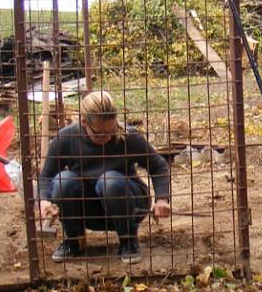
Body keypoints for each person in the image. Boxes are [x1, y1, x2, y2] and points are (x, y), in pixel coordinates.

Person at [38, 90, 171, 264]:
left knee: (109, 181)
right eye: (99, 133)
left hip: (127, 204)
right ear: (84, 122)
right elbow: (46, 175)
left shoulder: (128, 136)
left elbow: (158, 165)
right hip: (89, 211)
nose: (107, 137)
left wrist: (162, 199)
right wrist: (44, 200)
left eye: (111, 130)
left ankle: (128, 240)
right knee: (64, 181)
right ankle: (73, 240)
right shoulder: (66, 138)